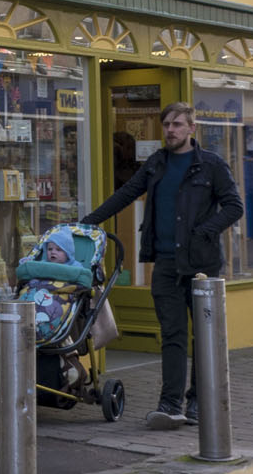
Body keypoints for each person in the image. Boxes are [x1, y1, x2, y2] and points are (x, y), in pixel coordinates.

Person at [81, 102, 243, 431]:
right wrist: (88, 223)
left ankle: (199, 400)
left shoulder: (210, 165)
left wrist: (205, 231)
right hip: (166, 264)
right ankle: (170, 403)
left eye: (178, 124)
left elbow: (234, 206)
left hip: (203, 266)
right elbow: (126, 193)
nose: (170, 130)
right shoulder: (156, 164)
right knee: (172, 334)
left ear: (191, 128)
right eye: (167, 124)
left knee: (204, 336)